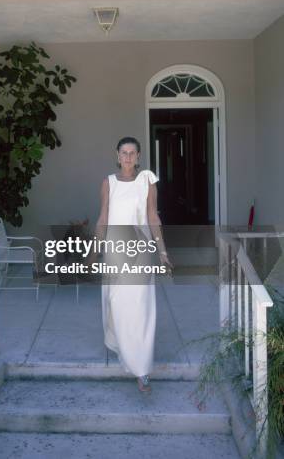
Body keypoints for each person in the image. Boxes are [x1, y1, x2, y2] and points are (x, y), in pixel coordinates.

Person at [93, 136, 174, 394]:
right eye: (123, 152)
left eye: (132, 153)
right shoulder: (108, 183)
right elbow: (103, 217)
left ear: (139, 156)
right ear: (117, 155)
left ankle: (142, 369)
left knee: (140, 309)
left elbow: (153, 217)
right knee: (116, 304)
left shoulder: (147, 182)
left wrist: (162, 251)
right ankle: (121, 345)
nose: (128, 157)